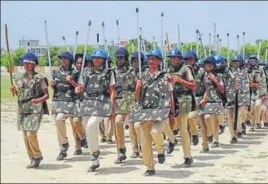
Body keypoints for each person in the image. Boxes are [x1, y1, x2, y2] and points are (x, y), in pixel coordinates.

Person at [128, 49, 175, 176]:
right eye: (149, 59)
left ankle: (160, 150)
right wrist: (138, 87)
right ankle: (149, 166)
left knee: (155, 132)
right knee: (145, 139)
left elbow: (170, 95)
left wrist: (172, 113)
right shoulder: (142, 76)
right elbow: (137, 98)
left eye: (154, 59)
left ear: (159, 61)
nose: (151, 61)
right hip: (146, 111)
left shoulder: (165, 76)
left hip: (160, 111)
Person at [75, 49, 116, 172]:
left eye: (98, 58)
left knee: (91, 125)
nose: (96, 60)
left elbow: (112, 90)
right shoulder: (85, 72)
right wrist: (78, 90)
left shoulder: (109, 72)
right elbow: (80, 87)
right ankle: (94, 158)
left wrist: (113, 107)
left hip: (102, 102)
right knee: (87, 128)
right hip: (87, 102)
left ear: (103, 60)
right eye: (94, 58)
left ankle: (94, 153)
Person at [10, 52, 49, 168]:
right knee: (24, 134)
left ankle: (37, 155)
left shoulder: (40, 78)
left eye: (29, 63)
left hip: (35, 109)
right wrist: (14, 91)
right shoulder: (19, 77)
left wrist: (38, 100)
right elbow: (19, 94)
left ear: (34, 65)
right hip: (23, 109)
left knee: (30, 134)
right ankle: (32, 158)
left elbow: (47, 95)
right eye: (25, 63)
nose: (26, 65)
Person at [49, 51, 80, 161]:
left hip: (70, 101)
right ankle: (63, 146)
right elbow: (55, 87)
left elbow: (79, 87)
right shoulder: (55, 72)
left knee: (69, 121)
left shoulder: (75, 72)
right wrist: (52, 85)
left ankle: (80, 141)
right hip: (58, 100)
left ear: (70, 60)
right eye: (61, 58)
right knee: (58, 123)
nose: (63, 60)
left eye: (65, 58)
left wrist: (71, 81)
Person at [198, 56, 224, 152]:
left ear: (214, 65)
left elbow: (222, 89)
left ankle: (216, 139)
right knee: (207, 118)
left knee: (215, 122)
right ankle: (210, 135)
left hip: (217, 101)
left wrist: (215, 80)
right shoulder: (203, 75)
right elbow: (205, 89)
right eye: (206, 63)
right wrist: (204, 98)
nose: (208, 65)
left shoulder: (218, 76)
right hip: (208, 102)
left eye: (210, 64)